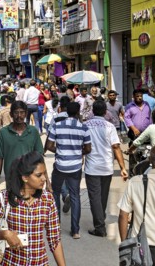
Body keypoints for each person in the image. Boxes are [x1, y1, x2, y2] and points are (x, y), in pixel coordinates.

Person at [0, 151, 66, 266]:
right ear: (25, 178)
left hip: (40, 263)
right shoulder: (5, 198)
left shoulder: (48, 199)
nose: (44, 179)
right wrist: (5, 234)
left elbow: (55, 240)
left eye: (44, 174)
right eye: (38, 175)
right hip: (11, 262)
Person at [45, 102, 91, 239]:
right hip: (75, 166)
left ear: (65, 112)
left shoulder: (57, 126)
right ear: (77, 113)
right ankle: (75, 231)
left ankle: (56, 227)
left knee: (55, 194)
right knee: (75, 196)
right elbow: (88, 149)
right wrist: (77, 152)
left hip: (60, 165)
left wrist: (59, 151)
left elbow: (48, 145)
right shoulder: (83, 128)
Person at [84, 100, 128, 237]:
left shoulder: (85, 125)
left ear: (92, 111)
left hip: (92, 167)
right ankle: (100, 220)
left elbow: (82, 146)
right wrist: (123, 167)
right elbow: (116, 147)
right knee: (103, 196)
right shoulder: (110, 126)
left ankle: (100, 227)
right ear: (105, 112)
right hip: (107, 167)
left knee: (94, 197)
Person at [0, 101, 45, 201]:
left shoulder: (33, 132)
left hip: (30, 179)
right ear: (11, 114)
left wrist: (47, 181)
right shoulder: (3, 133)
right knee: (14, 208)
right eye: (16, 112)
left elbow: (39, 158)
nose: (19, 116)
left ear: (26, 113)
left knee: (30, 208)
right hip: (12, 179)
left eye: (22, 112)